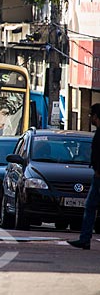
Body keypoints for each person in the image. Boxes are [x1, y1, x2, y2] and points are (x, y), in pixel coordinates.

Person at [68, 103, 100, 250]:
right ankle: (84, 239)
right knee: (90, 206)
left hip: (99, 176)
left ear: (96, 116)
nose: (90, 118)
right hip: (97, 176)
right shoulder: (98, 132)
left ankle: (85, 238)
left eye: (91, 115)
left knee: (90, 206)